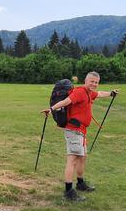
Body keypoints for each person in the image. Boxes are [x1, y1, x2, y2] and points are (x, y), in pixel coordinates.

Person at [41, 72, 118, 201]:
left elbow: (99, 94)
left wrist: (111, 93)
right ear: (86, 81)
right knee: (72, 160)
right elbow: (66, 101)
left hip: (81, 131)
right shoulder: (80, 92)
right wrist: (51, 109)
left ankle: (80, 184)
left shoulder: (89, 93)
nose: (94, 84)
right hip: (74, 130)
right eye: (91, 81)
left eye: (96, 82)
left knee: (82, 158)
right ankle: (68, 192)